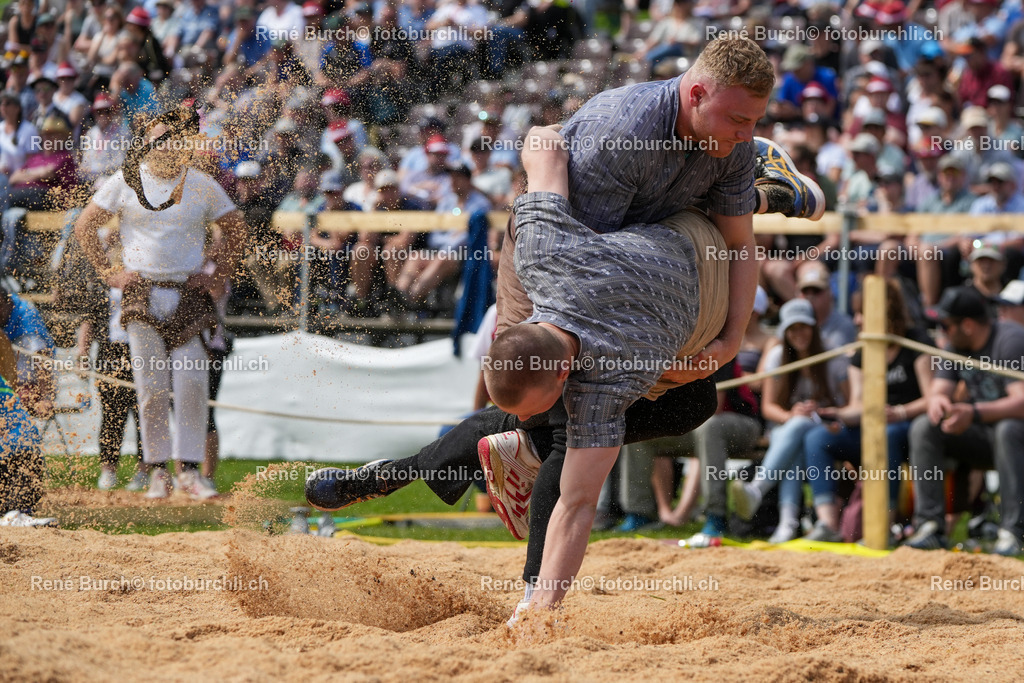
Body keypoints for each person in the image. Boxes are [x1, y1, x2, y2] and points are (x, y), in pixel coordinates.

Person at [305, 36, 823, 619]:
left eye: (749, 125)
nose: (740, 131)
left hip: (612, 267)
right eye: (737, 121)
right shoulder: (622, 135)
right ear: (697, 93)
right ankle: (533, 596)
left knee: (689, 400)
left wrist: (729, 341)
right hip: (557, 263)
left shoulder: (720, 134)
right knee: (562, 423)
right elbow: (576, 228)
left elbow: (736, 244)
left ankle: (411, 473)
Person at [74, 106, 246, 500]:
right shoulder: (125, 182)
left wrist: (218, 275)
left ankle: (189, 472)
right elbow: (85, 227)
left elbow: (236, 228)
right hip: (140, 293)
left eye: (173, 137)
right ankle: (156, 471)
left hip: (189, 293)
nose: (166, 145)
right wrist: (109, 273)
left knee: (191, 383)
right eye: (159, 137)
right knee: (150, 388)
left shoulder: (201, 184)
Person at [802, 279, 933, 542]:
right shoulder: (861, 352)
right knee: (818, 438)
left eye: (863, 312)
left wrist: (901, 411)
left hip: (908, 428)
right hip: (870, 426)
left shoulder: (917, 342)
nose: (858, 319)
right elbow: (858, 405)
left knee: (887, 435)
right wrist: (836, 414)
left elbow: (932, 397)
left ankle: (883, 524)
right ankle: (828, 524)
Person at [904, 286, 1024, 556]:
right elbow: (939, 391)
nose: (941, 332)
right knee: (925, 426)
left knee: (1008, 428)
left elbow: (1022, 401)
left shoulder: (1011, 340)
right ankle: (931, 528)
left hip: (1014, 435)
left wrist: (975, 413)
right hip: (980, 434)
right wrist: (939, 403)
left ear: (967, 325)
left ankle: (1013, 533)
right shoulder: (955, 346)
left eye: (945, 325)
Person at [731, 298, 849, 543]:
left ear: (814, 327)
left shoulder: (833, 355)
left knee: (799, 428)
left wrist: (818, 411)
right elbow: (769, 408)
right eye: (792, 328)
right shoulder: (777, 356)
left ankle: (762, 493)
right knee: (795, 433)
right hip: (787, 430)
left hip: (824, 427)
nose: (799, 333)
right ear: (785, 331)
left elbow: (847, 404)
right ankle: (787, 524)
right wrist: (792, 414)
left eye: (803, 326)